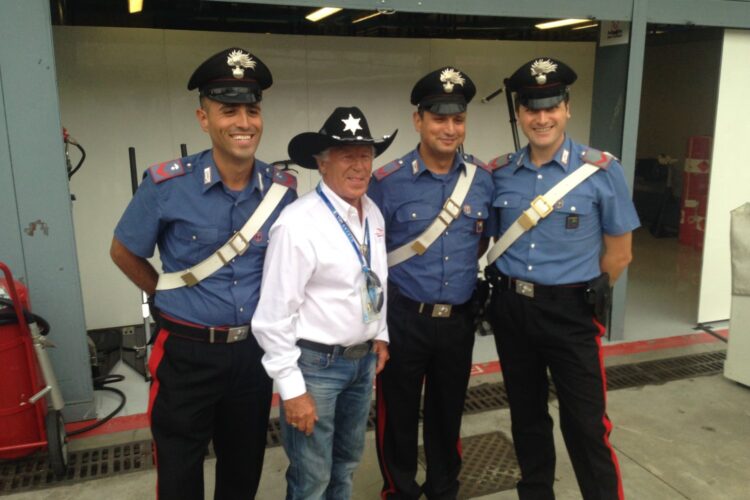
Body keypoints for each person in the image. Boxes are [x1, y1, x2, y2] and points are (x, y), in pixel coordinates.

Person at [110, 47, 297, 500]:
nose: (243, 122)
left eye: (252, 110)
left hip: (252, 354)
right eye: (228, 110)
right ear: (203, 118)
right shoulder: (167, 186)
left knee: (244, 465)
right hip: (187, 352)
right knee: (178, 471)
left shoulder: (281, 192)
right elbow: (122, 252)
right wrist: (164, 295)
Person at [485, 57, 639, 500]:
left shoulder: (602, 172)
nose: (542, 118)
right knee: (527, 418)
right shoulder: (500, 174)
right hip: (513, 311)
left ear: (567, 108)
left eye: (551, 107)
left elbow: (620, 253)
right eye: (532, 109)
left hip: (570, 313)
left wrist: (577, 292)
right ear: (519, 114)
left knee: (587, 424)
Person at [252, 106, 394, 500]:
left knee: (346, 466)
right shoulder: (297, 224)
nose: (359, 165)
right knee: (312, 477)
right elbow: (273, 317)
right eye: (347, 155)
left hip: (361, 363)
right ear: (322, 163)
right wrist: (292, 389)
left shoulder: (373, 214)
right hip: (316, 368)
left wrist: (379, 333)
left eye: (365, 155)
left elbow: (375, 280)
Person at [368, 66, 495, 499]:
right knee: (398, 417)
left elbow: (480, 243)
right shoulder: (386, 183)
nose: (449, 128)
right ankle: (399, 491)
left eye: (457, 119)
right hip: (404, 318)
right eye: (439, 118)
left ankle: (444, 489)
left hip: (457, 319)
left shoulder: (482, 180)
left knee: (448, 415)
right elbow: (369, 259)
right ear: (418, 119)